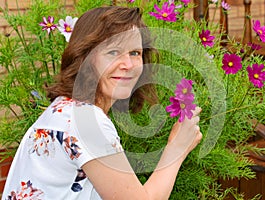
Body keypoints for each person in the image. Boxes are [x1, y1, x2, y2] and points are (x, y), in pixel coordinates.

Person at [2, 6, 202, 200]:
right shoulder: (87, 122)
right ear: (85, 58)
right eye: (113, 52)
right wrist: (177, 148)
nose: (128, 65)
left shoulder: (65, 108)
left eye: (135, 53)